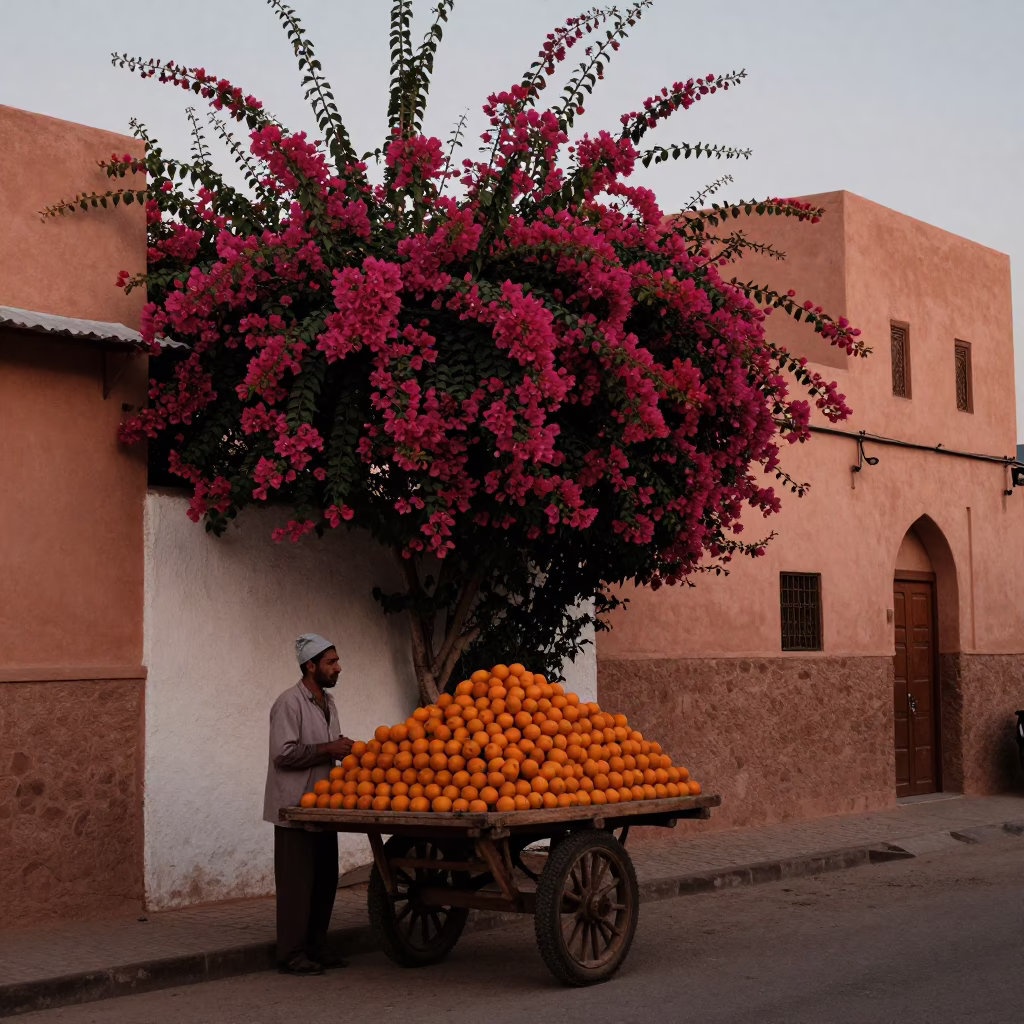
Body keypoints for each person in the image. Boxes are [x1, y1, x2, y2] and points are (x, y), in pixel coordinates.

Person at [264, 633, 354, 975]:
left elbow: (329, 748)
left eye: (337, 661)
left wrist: (345, 749)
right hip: (293, 808)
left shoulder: (328, 704)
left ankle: (316, 945)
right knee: (296, 885)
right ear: (310, 665)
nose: (338, 668)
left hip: (322, 806)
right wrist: (328, 749)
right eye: (331, 662)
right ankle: (291, 954)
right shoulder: (289, 703)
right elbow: (283, 754)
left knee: (324, 879)